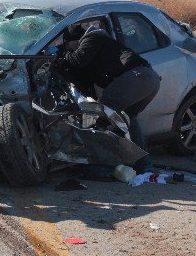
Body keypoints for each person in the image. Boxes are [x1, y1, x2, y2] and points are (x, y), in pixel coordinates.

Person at [53, 22, 161, 171]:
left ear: (75, 40)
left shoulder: (93, 37)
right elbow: (86, 81)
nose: (67, 49)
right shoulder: (98, 46)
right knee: (128, 118)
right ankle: (143, 164)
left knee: (99, 113)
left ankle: (101, 165)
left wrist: (60, 56)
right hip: (149, 80)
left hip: (137, 77)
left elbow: (77, 60)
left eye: (67, 45)